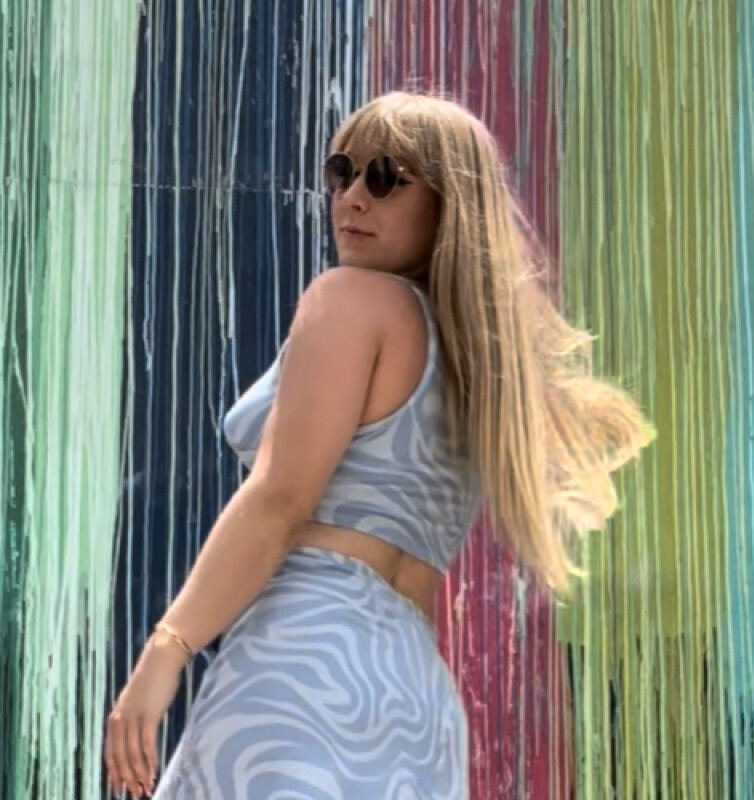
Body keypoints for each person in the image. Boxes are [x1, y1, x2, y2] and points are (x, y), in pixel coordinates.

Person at [104, 91, 654, 799]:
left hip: (301, 663)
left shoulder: (349, 300)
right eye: (341, 172)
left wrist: (167, 649)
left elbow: (280, 500)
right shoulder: (482, 370)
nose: (353, 197)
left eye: (388, 177)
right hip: (416, 697)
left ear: (449, 203)